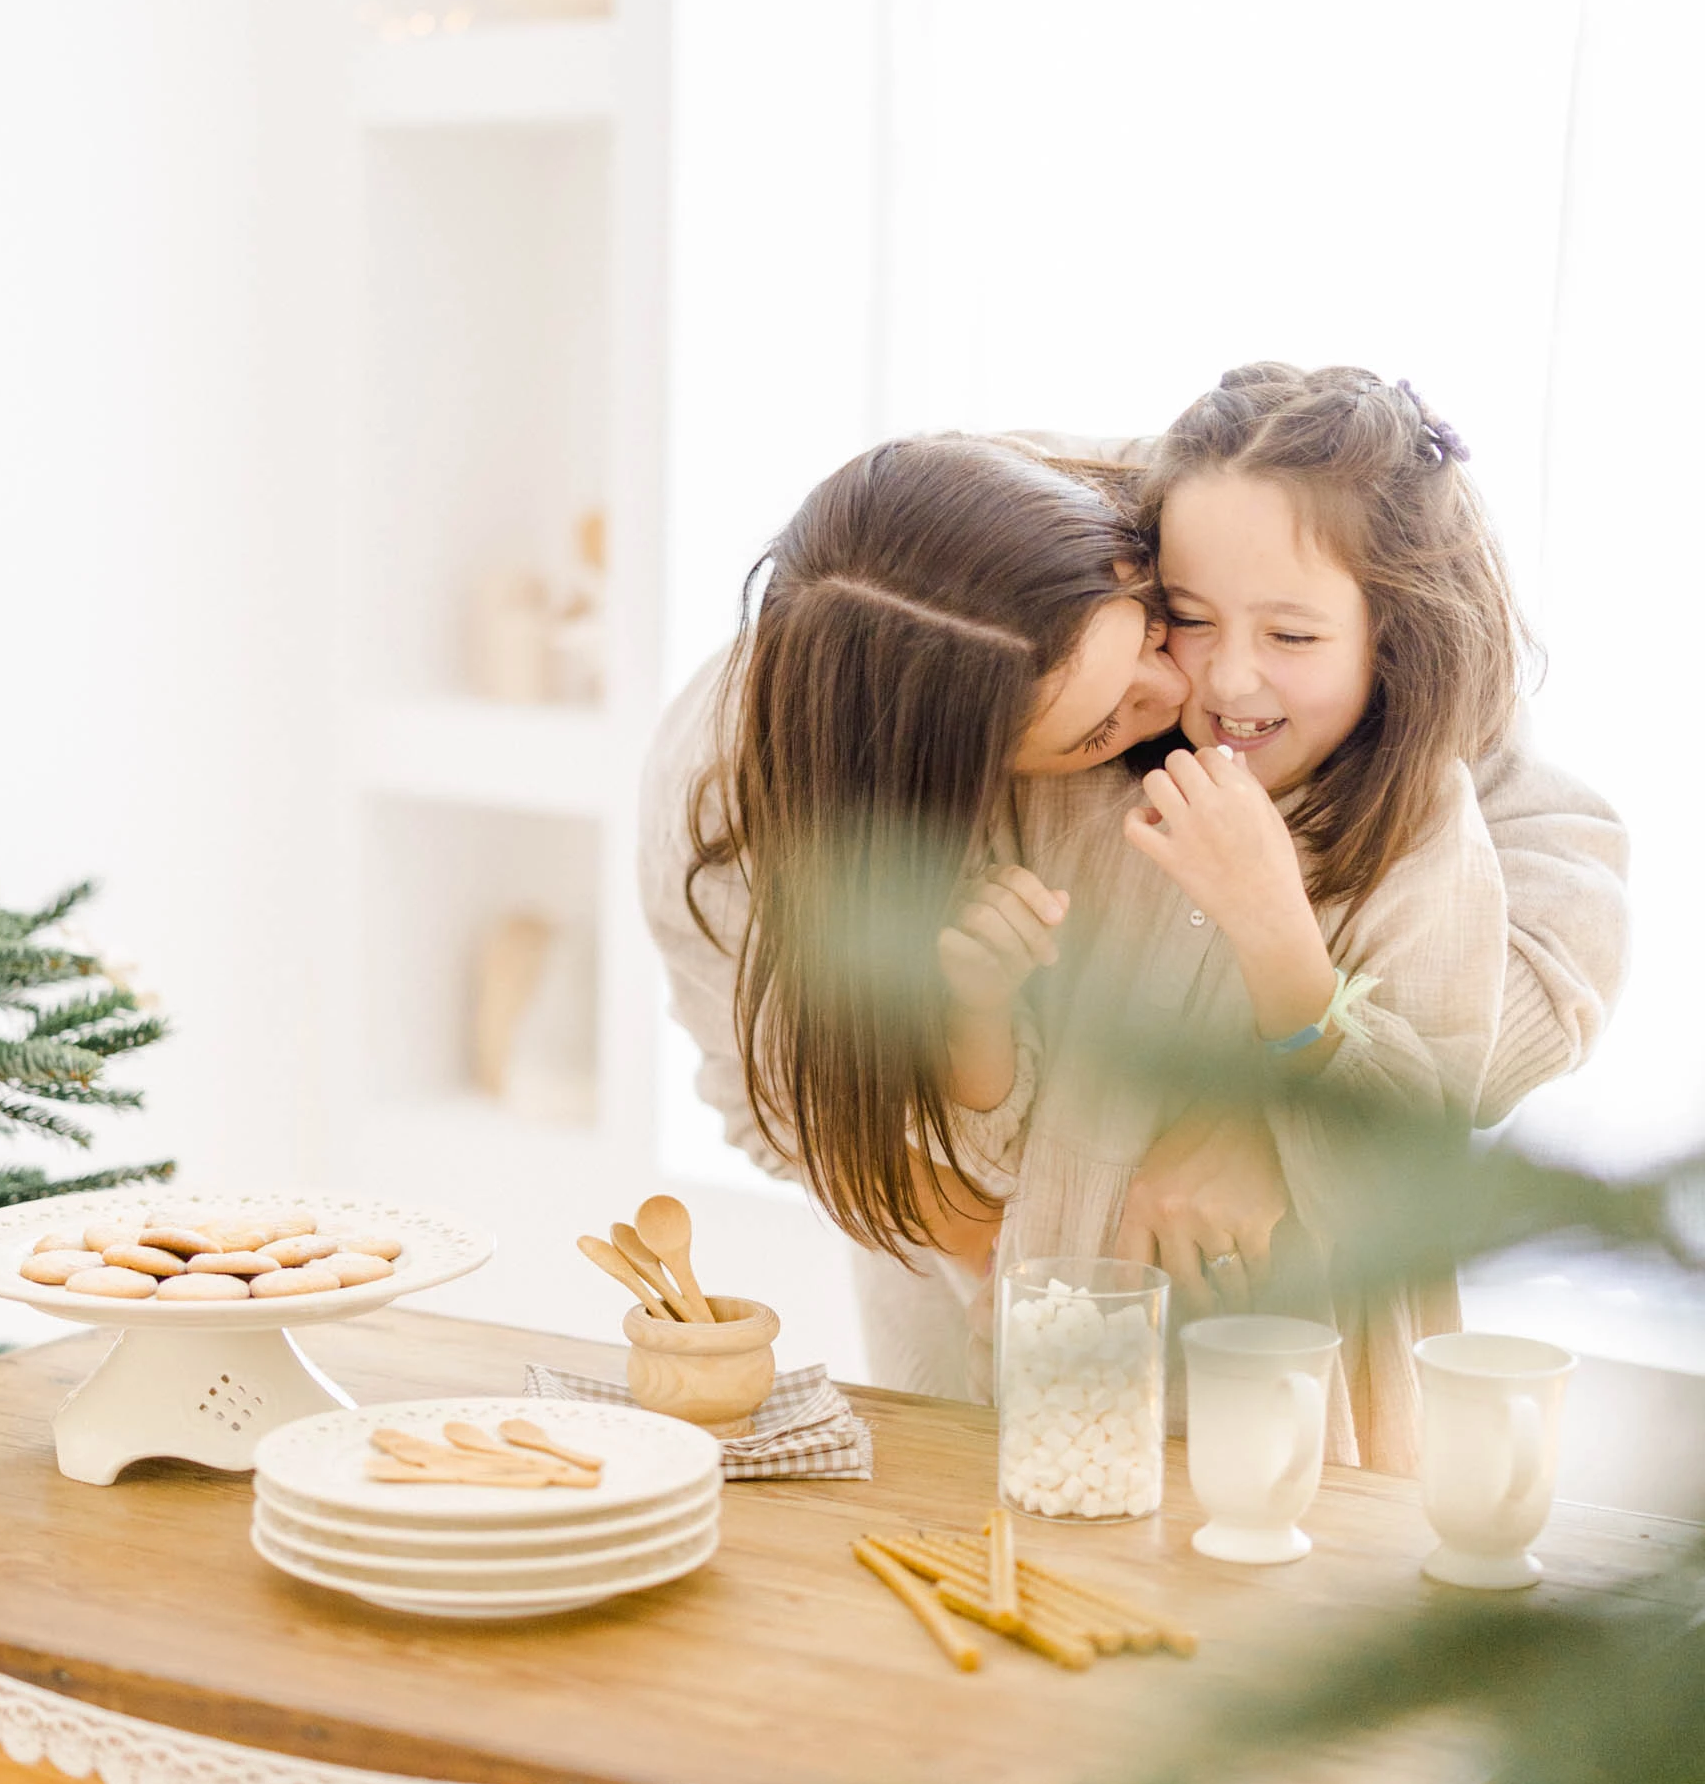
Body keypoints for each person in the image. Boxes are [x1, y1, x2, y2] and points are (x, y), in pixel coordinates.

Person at [639, 411, 1628, 1422]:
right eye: (1101, 727)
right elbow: (787, 1104)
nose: (1191, 687)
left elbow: (1546, 912)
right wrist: (1017, 1245)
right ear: (974, 786)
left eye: (1156, 624)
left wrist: (1274, 1118)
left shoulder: (1191, 526)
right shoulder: (732, 812)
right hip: (993, 1293)